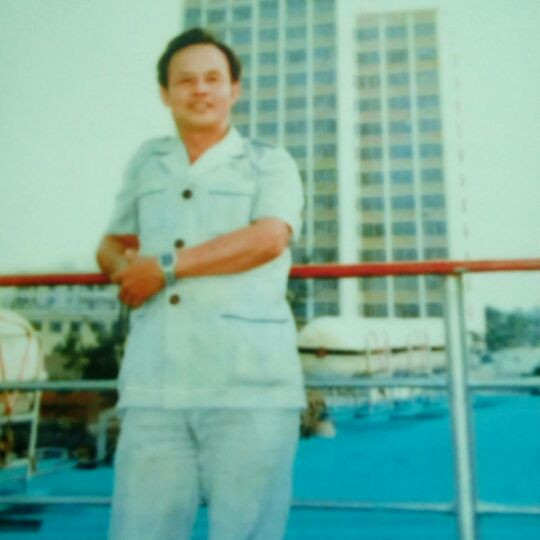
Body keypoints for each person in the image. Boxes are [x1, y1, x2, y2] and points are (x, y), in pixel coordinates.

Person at [96, 28, 306, 540]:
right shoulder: (148, 161)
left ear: (235, 89)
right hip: (155, 384)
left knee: (247, 531)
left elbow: (268, 238)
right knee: (139, 530)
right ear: (165, 93)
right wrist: (123, 267)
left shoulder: (268, 161)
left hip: (248, 385)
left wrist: (164, 266)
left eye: (213, 78)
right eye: (185, 80)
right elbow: (113, 242)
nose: (200, 90)